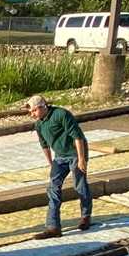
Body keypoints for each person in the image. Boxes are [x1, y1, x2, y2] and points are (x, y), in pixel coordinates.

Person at [27, 95, 92, 240]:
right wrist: (51, 163)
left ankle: (85, 217)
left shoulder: (61, 114)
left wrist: (81, 160)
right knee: (53, 188)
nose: (32, 115)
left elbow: (78, 137)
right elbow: (45, 146)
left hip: (75, 153)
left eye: (34, 111)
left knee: (80, 185)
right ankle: (53, 227)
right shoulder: (39, 125)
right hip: (60, 157)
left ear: (43, 107)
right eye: (30, 112)